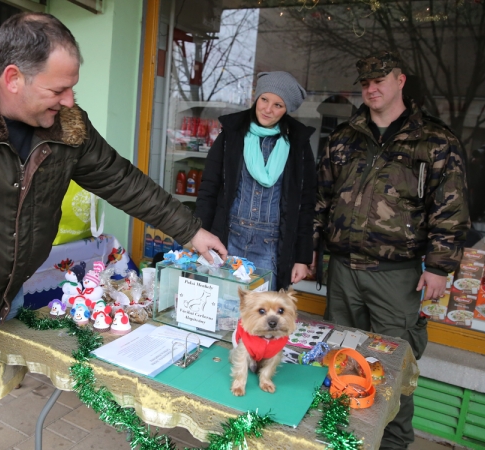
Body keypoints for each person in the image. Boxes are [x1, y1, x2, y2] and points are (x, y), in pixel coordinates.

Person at [0, 12, 226, 450]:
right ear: (13, 78)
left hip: (11, 291)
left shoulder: (67, 125)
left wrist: (190, 231)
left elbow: (120, 179)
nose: (69, 101)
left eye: (73, 87)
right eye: (58, 89)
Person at [313, 51, 470, 450]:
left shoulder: (434, 140)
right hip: (344, 272)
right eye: (365, 81)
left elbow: (450, 208)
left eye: (380, 79)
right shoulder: (344, 137)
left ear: (401, 80)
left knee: (393, 372)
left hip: (396, 275)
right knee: (339, 361)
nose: (371, 87)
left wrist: (439, 266)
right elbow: (321, 199)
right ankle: (337, 439)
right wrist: (310, 251)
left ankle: (392, 445)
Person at [195, 72, 316, 290]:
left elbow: (306, 204)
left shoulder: (298, 144)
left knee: (260, 318)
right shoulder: (231, 135)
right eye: (264, 100)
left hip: (271, 248)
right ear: (256, 98)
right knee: (221, 310)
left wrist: (302, 257)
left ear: (287, 109)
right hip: (227, 240)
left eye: (278, 105)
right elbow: (208, 189)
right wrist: (199, 233)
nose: (268, 109)